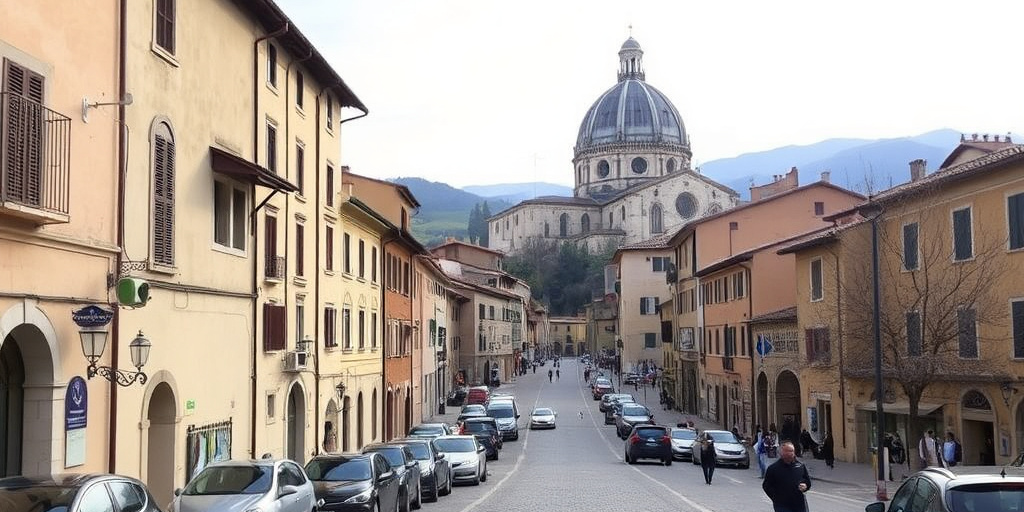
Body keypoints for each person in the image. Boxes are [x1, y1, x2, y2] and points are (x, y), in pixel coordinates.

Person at [762, 441, 811, 512]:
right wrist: (776, 498)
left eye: (793, 451)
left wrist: (805, 486)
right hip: (782, 506)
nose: (792, 453)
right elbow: (766, 486)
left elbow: (808, 482)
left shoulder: (800, 466)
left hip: (799, 504)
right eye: (789, 451)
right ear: (782, 453)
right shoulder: (773, 468)